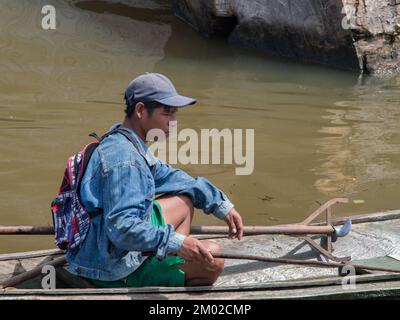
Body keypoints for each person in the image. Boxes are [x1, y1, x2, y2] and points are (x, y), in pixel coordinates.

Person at [66, 72, 244, 287]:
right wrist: (177, 243)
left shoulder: (123, 141)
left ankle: (166, 261)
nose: (173, 122)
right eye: (167, 113)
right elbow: (122, 228)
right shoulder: (125, 159)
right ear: (141, 110)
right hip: (108, 268)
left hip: (102, 243)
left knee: (184, 200)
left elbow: (173, 178)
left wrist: (220, 204)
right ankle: (159, 280)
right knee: (213, 257)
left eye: (175, 114)